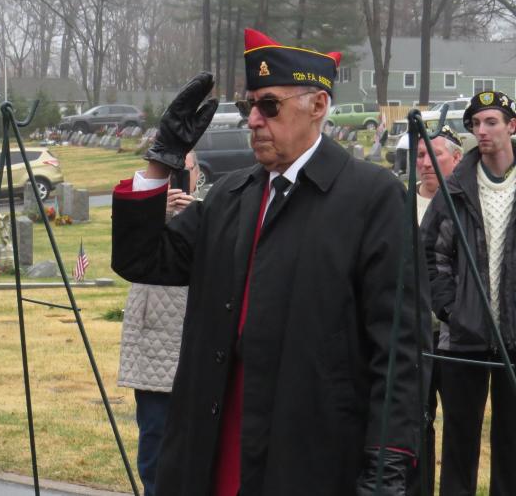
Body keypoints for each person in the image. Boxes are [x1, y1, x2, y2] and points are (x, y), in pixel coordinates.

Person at [111, 28, 425, 495]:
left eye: (269, 105)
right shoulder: (232, 197)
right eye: (247, 107)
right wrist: (162, 157)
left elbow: (399, 352)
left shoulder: (373, 200)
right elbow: (143, 260)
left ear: (317, 106)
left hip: (310, 456)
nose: (253, 120)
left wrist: (387, 469)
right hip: (215, 447)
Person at [421, 90, 516, 496]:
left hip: (514, 338)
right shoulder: (456, 188)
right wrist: (451, 310)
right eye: (476, 124)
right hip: (463, 338)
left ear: (512, 126)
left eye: (491, 122)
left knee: (512, 445)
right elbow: (431, 256)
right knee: (459, 443)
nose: (483, 131)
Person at [117, 151, 198, 496]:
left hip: (196, 352)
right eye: (172, 169)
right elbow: (129, 255)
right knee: (155, 452)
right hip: (154, 358)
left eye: (185, 169)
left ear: (197, 173)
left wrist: (190, 214)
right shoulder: (141, 211)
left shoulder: (209, 211)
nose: (178, 175)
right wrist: (154, 214)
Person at [411, 125, 462, 496]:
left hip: (456, 336)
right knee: (416, 422)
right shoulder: (398, 204)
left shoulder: (465, 205)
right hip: (413, 336)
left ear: (456, 159)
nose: (425, 163)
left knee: (460, 426)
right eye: (419, 156)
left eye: (434, 155)